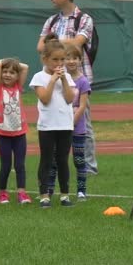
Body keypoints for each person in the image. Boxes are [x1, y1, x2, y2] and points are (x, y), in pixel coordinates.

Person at [37, 0, 98, 175]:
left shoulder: (84, 19)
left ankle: (88, 166)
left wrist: (53, 43)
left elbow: (78, 42)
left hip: (78, 77)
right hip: (54, 79)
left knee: (82, 121)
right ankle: (56, 163)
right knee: (55, 120)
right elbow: (40, 47)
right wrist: (57, 44)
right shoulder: (51, 21)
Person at [30, 36, 76, 208]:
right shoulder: (39, 77)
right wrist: (52, 80)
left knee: (63, 160)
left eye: (62, 59)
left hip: (65, 124)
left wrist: (63, 79)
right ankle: (44, 195)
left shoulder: (68, 78)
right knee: (47, 160)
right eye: (55, 59)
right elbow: (45, 99)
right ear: (45, 59)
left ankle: (65, 194)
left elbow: (70, 98)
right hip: (48, 126)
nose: (59, 63)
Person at [48, 44, 91, 200]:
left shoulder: (83, 82)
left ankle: (81, 191)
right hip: (59, 128)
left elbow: (82, 105)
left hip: (76, 128)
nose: (71, 61)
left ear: (80, 60)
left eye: (75, 58)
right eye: (68, 58)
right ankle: (50, 190)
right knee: (55, 160)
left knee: (79, 160)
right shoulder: (59, 77)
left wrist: (71, 122)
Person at [0, 57, 31, 204]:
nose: (8, 75)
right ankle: (2, 193)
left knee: (20, 165)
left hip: (19, 134)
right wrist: (2, 64)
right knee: (6, 165)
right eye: (5, 71)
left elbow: (25, 67)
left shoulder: (18, 88)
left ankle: (22, 193)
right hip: (4, 135)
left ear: (17, 76)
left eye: (12, 72)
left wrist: (12, 63)